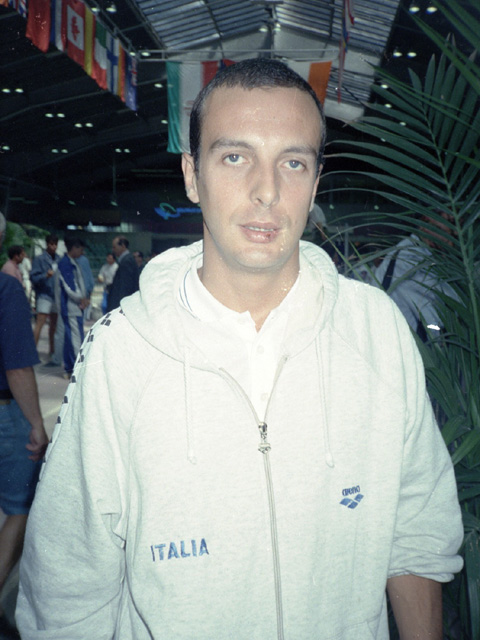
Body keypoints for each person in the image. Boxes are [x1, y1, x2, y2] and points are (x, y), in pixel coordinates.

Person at [16, 59, 463, 640]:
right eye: (235, 157)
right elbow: (66, 589)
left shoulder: (374, 331)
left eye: (293, 163)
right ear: (192, 175)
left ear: (316, 182)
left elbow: (417, 530)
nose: (267, 191)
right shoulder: (120, 354)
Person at [0, 213, 47, 634]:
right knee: (20, 507)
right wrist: (36, 423)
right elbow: (17, 366)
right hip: (4, 415)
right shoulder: (6, 289)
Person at [374, 213, 456, 341]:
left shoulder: (417, 253)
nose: (448, 238)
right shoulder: (409, 257)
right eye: (442, 229)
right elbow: (434, 316)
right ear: (425, 222)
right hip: (407, 342)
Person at [54, 237, 89, 377]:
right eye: (81, 249)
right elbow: (70, 288)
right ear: (74, 247)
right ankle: (77, 370)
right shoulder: (65, 264)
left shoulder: (71, 262)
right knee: (75, 339)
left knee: (70, 338)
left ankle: (70, 368)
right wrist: (82, 299)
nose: (82, 252)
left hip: (73, 307)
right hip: (71, 307)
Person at [30, 235, 59, 364]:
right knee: (40, 324)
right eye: (51, 244)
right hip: (44, 295)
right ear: (47, 244)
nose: (53, 247)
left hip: (55, 296)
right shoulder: (39, 259)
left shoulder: (59, 259)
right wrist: (45, 276)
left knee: (54, 326)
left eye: (55, 244)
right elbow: (33, 278)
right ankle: (31, 352)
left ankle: (52, 351)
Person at [106, 236, 139, 312]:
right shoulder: (126, 260)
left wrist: (121, 307)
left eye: (114, 247)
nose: (113, 250)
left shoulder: (127, 261)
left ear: (123, 246)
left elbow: (125, 287)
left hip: (122, 305)